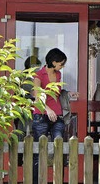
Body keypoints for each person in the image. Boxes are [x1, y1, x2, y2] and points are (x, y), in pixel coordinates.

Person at [31, 48, 77, 182]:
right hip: (41, 115)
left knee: (59, 147)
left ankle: (58, 180)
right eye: (61, 64)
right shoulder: (39, 75)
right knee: (39, 151)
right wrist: (47, 109)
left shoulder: (58, 75)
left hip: (57, 115)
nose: (62, 66)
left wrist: (68, 94)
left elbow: (57, 92)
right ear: (53, 62)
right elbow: (37, 95)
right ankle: (36, 181)